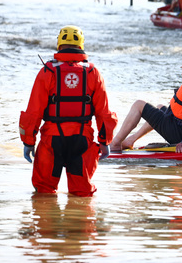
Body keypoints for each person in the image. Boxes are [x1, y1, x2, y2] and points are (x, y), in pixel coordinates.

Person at [19, 25, 118, 197]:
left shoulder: (47, 72)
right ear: (81, 45)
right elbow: (104, 113)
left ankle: (47, 219)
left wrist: (28, 142)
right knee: (83, 194)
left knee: (44, 193)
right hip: (82, 140)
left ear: (59, 44)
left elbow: (33, 112)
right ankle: (80, 220)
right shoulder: (93, 73)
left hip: (52, 140)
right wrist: (105, 141)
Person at [110, 54, 182, 153]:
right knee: (160, 107)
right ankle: (131, 140)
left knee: (139, 105)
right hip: (180, 126)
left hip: (180, 134)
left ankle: (115, 144)